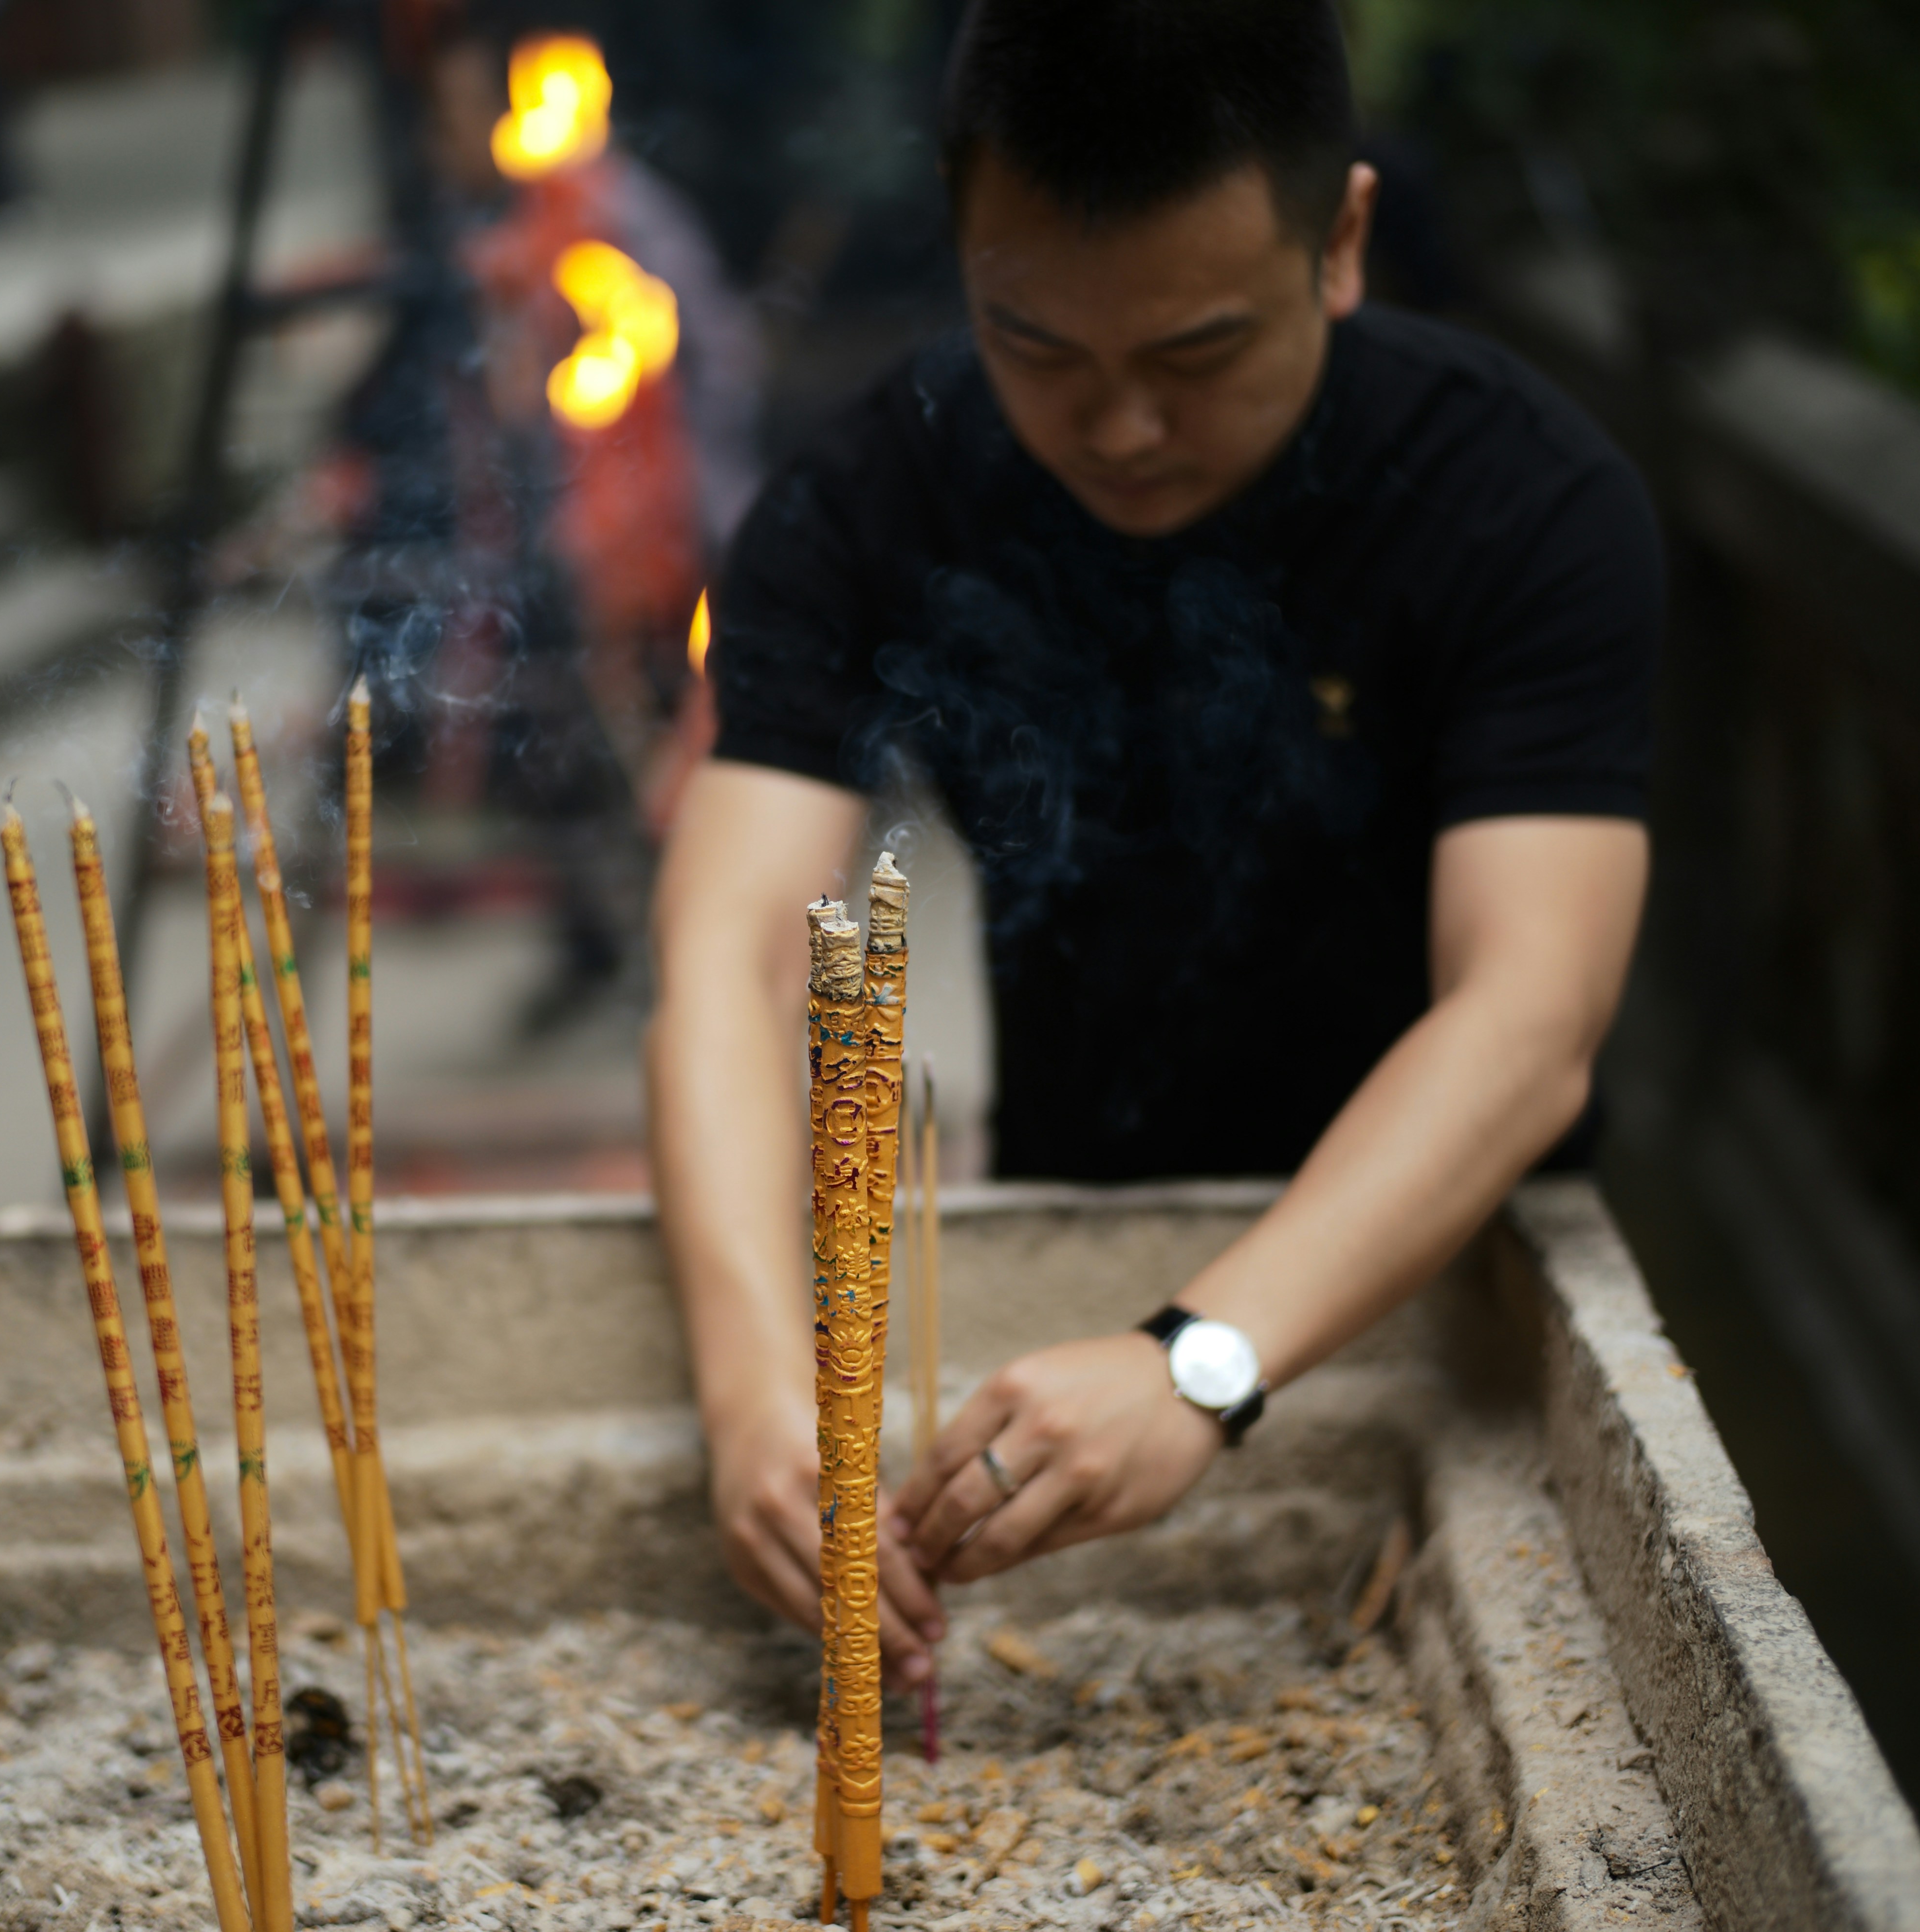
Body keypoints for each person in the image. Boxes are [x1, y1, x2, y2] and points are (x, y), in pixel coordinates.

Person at [645, 0, 1658, 1689]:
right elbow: (732, 952)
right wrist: (761, 1392)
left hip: (1445, 1266)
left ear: (1339, 237)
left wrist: (1203, 1360)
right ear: (964, 240)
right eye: (1035, 343)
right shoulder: (867, 499)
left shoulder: (1525, 501)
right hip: (1069, 1220)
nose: (1118, 428)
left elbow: (1530, 1015)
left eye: (1196, 354)